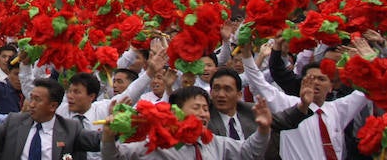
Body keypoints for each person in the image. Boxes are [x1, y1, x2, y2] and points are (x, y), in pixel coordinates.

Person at [241, 41, 370, 160]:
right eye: (310, 78)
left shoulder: (337, 109)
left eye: (321, 79)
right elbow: (257, 81)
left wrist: (370, 59)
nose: (315, 83)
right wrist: (247, 55)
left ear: (331, 86)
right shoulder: (287, 104)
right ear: (302, 82)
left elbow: (369, 88)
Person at [100, 86, 272, 159]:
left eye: (205, 109)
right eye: (196, 108)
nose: (203, 114)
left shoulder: (215, 143)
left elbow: (249, 152)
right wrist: (108, 137)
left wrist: (263, 130)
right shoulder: (156, 144)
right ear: (177, 112)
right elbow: (115, 157)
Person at [0, 77, 101, 160]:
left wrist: (117, 126)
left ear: (53, 106)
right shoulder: (15, 122)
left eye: (38, 100)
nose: (31, 104)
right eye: (31, 98)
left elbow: (97, 141)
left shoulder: (70, 128)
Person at [207, 66, 311, 160]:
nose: (220, 94)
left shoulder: (251, 111)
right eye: (216, 89)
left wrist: (303, 104)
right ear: (210, 93)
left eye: (227, 89)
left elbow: (283, 119)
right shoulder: (205, 118)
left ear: (239, 95)